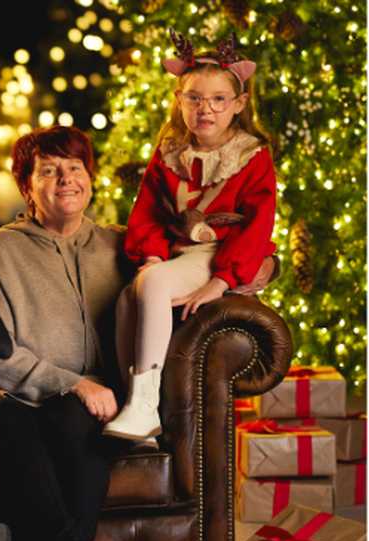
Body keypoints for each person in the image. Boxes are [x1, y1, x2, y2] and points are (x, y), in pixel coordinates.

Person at [103, 31, 276, 443]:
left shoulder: (251, 156)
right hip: (179, 251)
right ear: (180, 100)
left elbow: (257, 226)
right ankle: (140, 406)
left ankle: (144, 408)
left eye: (218, 99)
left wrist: (221, 280)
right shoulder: (169, 151)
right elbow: (146, 209)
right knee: (131, 297)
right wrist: (150, 255)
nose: (206, 109)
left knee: (157, 283)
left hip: (218, 253)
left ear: (238, 105)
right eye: (194, 98)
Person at [0, 126, 123, 541]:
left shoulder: (122, 246)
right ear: (27, 188)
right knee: (15, 426)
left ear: (90, 178)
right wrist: (69, 381)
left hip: (105, 399)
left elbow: (209, 255)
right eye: (48, 170)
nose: (66, 178)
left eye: (75, 168)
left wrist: (262, 263)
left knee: (74, 419)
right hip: (24, 393)